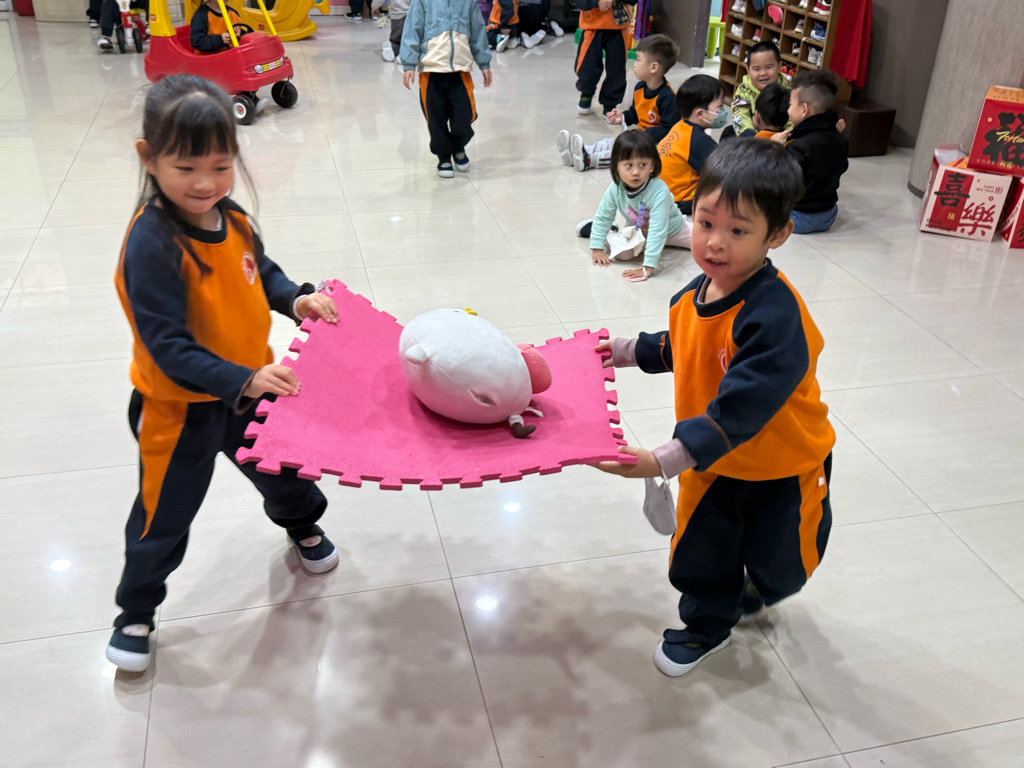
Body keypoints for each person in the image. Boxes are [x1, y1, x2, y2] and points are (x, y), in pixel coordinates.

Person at [106, 75, 341, 673]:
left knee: (283, 469)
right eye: (186, 168)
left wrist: (296, 299)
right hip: (177, 408)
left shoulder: (230, 218)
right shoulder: (152, 245)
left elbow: (261, 271)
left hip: (250, 389)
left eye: (220, 166)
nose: (205, 184)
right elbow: (167, 347)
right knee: (164, 514)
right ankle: (135, 610)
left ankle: (302, 526)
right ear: (148, 158)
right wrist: (242, 380)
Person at [595, 138, 834, 678]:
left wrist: (661, 460)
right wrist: (621, 352)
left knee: (781, 566)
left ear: (778, 235)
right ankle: (705, 625)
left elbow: (743, 406)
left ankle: (757, 587)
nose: (715, 242)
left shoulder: (776, 319)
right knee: (700, 555)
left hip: (781, 467)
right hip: (712, 464)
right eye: (705, 223)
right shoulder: (694, 293)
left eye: (738, 231)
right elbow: (683, 346)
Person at [577, 131, 692, 282]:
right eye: (629, 165)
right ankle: (609, 232)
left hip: (675, 229)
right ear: (616, 166)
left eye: (643, 165)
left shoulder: (660, 192)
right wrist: (597, 248)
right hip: (639, 232)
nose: (636, 172)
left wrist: (648, 266)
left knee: (705, 242)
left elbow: (658, 230)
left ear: (652, 165)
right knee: (622, 255)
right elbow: (604, 215)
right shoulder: (615, 188)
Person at [557, 34, 680, 172]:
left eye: (638, 60)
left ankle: (589, 160)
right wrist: (623, 117)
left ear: (653, 67)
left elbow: (669, 131)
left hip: (656, 146)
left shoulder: (668, 98)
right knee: (613, 142)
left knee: (623, 153)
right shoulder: (640, 88)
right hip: (640, 138)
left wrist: (643, 134)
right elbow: (636, 112)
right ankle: (581, 151)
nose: (635, 64)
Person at [400, 0, 493, 178]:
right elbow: (412, 29)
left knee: (465, 116)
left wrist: (484, 63)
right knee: (436, 120)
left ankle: (458, 146)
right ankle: (443, 157)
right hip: (431, 71)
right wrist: (409, 64)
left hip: (460, 71)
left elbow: (478, 31)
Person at [771, 70, 849, 234]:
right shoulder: (840, 139)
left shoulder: (798, 146)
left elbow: (779, 179)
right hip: (828, 216)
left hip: (798, 218)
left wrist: (775, 149)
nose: (788, 110)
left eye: (791, 105)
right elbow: (841, 167)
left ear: (804, 109)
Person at [657, 74, 723, 215]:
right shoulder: (699, 140)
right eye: (720, 107)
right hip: (681, 201)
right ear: (700, 114)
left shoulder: (680, 126)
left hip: (662, 194)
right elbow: (722, 172)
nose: (723, 111)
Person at [574, 0, 638, 117]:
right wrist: (597, 2)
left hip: (618, 27)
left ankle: (610, 104)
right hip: (592, 26)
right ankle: (587, 93)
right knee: (586, 68)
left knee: (616, 70)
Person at [722, 41, 790, 140]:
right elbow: (740, 116)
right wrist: (754, 138)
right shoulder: (744, 90)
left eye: (769, 67)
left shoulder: (787, 91)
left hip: (778, 137)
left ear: (779, 66)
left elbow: (792, 121)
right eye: (756, 69)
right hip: (751, 135)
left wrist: (783, 137)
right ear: (748, 70)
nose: (763, 73)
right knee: (729, 132)